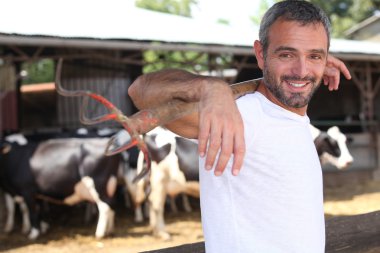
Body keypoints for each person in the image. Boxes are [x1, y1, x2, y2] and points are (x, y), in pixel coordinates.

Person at [128, 1, 351, 252]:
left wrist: (305, 58)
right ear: (260, 54)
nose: (301, 71)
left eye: (314, 55)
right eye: (286, 54)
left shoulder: (294, 118)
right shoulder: (237, 116)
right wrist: (209, 87)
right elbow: (141, 90)